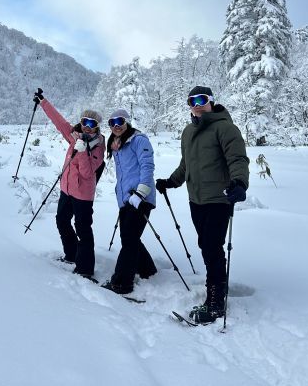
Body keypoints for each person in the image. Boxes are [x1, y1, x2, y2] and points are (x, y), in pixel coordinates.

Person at [156, 86, 249, 324]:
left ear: (211, 102)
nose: (197, 105)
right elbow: (185, 165)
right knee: (206, 246)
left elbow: (237, 158)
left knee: (211, 247)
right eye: (192, 101)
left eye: (201, 100)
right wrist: (171, 182)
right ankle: (217, 289)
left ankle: (215, 302)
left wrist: (239, 182)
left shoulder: (225, 128)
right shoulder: (188, 132)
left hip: (219, 198)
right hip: (196, 199)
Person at [34, 90, 105, 279]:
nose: (87, 127)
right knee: (62, 221)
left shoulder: (99, 146)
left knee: (83, 229)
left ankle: (85, 268)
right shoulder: (74, 136)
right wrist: (43, 102)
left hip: (83, 195)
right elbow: (59, 122)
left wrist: (82, 151)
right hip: (66, 189)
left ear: (97, 127)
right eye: (85, 122)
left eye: (92, 124)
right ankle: (72, 254)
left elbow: (87, 173)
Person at [101, 109, 158, 295]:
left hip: (141, 198)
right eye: (112, 123)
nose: (116, 126)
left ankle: (122, 283)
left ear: (127, 122)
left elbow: (147, 167)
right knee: (128, 237)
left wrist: (140, 194)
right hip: (126, 198)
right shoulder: (117, 144)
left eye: (120, 121)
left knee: (129, 239)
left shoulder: (139, 140)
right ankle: (147, 269)